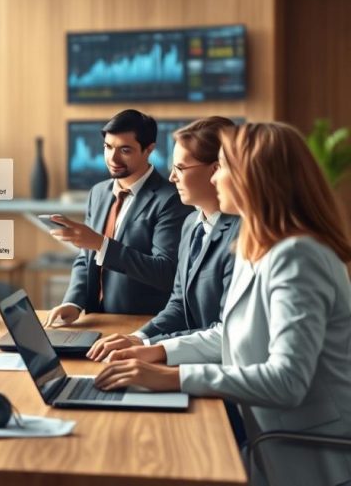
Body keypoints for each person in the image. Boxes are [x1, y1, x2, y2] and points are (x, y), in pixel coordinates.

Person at [95, 122, 351, 486]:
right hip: (266, 437)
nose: (216, 179)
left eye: (225, 168)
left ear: (256, 178)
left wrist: (174, 378)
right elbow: (228, 336)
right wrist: (156, 351)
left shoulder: (299, 256)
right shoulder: (257, 245)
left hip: (307, 452)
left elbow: (287, 380)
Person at [88, 117, 240, 359]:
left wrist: (151, 349)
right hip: (192, 361)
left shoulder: (243, 234)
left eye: (180, 168)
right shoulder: (191, 224)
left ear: (215, 169)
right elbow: (179, 304)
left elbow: (227, 333)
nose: (172, 177)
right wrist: (138, 338)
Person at [44, 109, 188, 324]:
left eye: (125, 150)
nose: (113, 158)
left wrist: (102, 245)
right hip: (96, 319)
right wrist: (73, 302)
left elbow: (166, 272)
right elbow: (86, 259)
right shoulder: (98, 192)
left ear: (149, 149)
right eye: (108, 147)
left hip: (143, 324)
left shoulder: (171, 199)